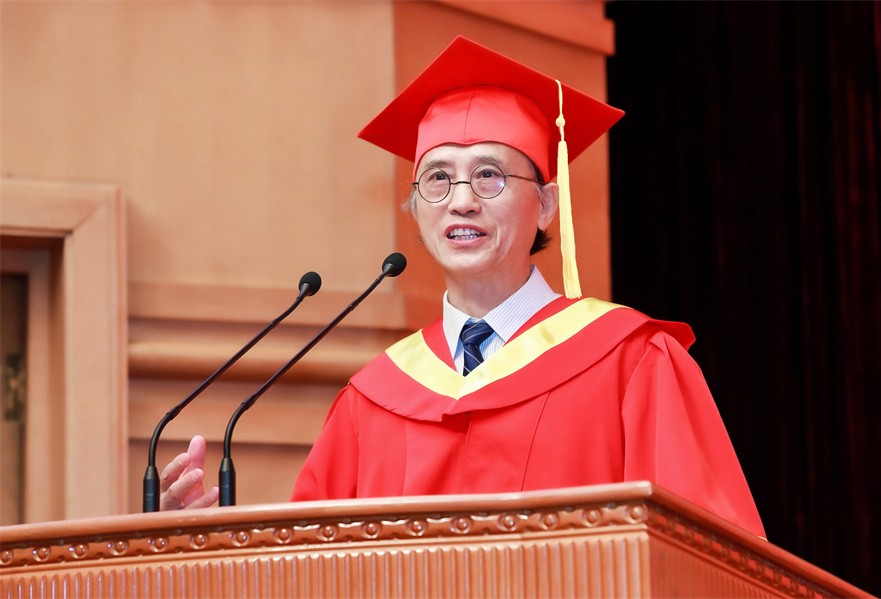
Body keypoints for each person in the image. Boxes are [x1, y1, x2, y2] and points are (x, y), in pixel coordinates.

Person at [161, 36, 765, 538]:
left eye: (489, 175)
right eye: (437, 179)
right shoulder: (373, 400)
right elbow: (310, 571)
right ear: (414, 208)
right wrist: (204, 542)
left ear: (546, 205)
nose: (461, 201)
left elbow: (709, 554)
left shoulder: (631, 361)